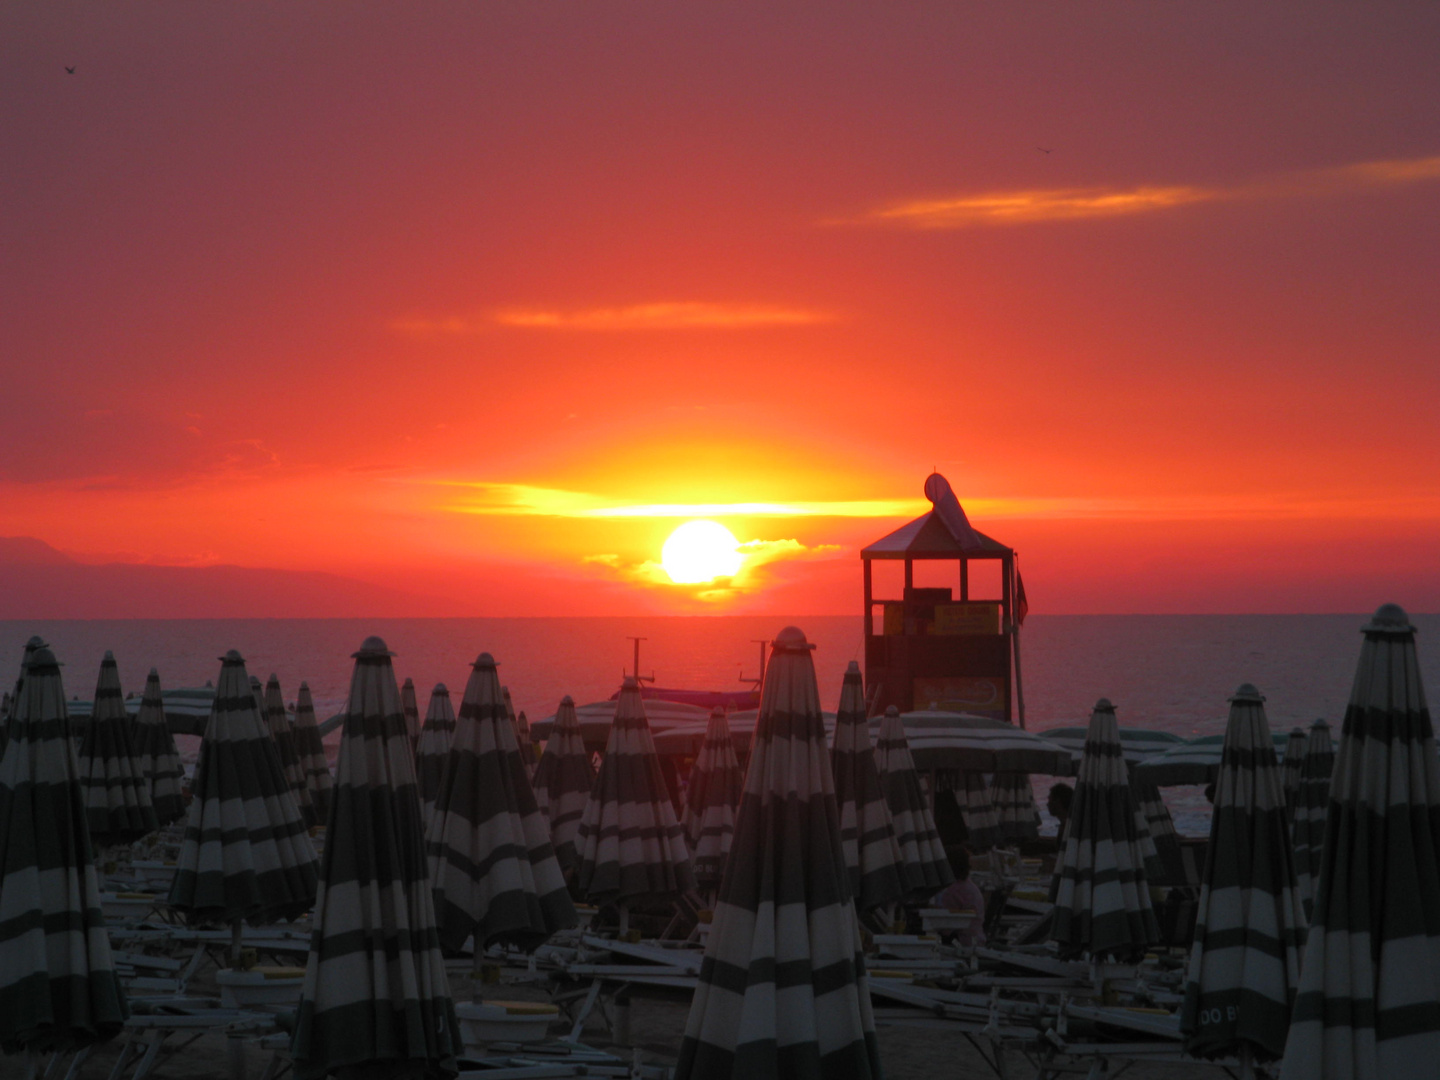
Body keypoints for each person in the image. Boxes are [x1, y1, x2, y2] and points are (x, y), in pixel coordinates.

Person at [931, 846, 987, 947]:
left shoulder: (953, 891)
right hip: (977, 938)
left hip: (961, 942)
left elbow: (945, 928)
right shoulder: (969, 886)